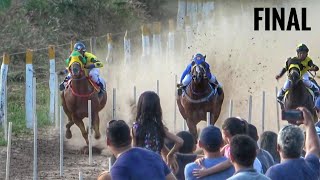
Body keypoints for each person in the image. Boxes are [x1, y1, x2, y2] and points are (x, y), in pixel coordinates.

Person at [97, 119, 177, 180]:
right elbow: (172, 179)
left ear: (108, 142)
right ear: (131, 138)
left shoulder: (119, 168)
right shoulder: (154, 155)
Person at [192, 117, 262, 178]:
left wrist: (207, 172)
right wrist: (202, 159)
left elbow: (228, 162)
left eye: (224, 135)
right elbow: (216, 155)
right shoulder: (228, 146)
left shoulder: (237, 148)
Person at [132, 91, 184, 173]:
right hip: (156, 165)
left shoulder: (136, 127)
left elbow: (133, 149)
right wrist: (170, 155)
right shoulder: (158, 127)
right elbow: (180, 141)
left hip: (141, 165)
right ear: (157, 108)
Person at [265, 107, 320, 180]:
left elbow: (313, 148)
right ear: (302, 147)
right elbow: (313, 148)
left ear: (278, 147)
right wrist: (309, 123)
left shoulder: (274, 172)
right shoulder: (311, 166)